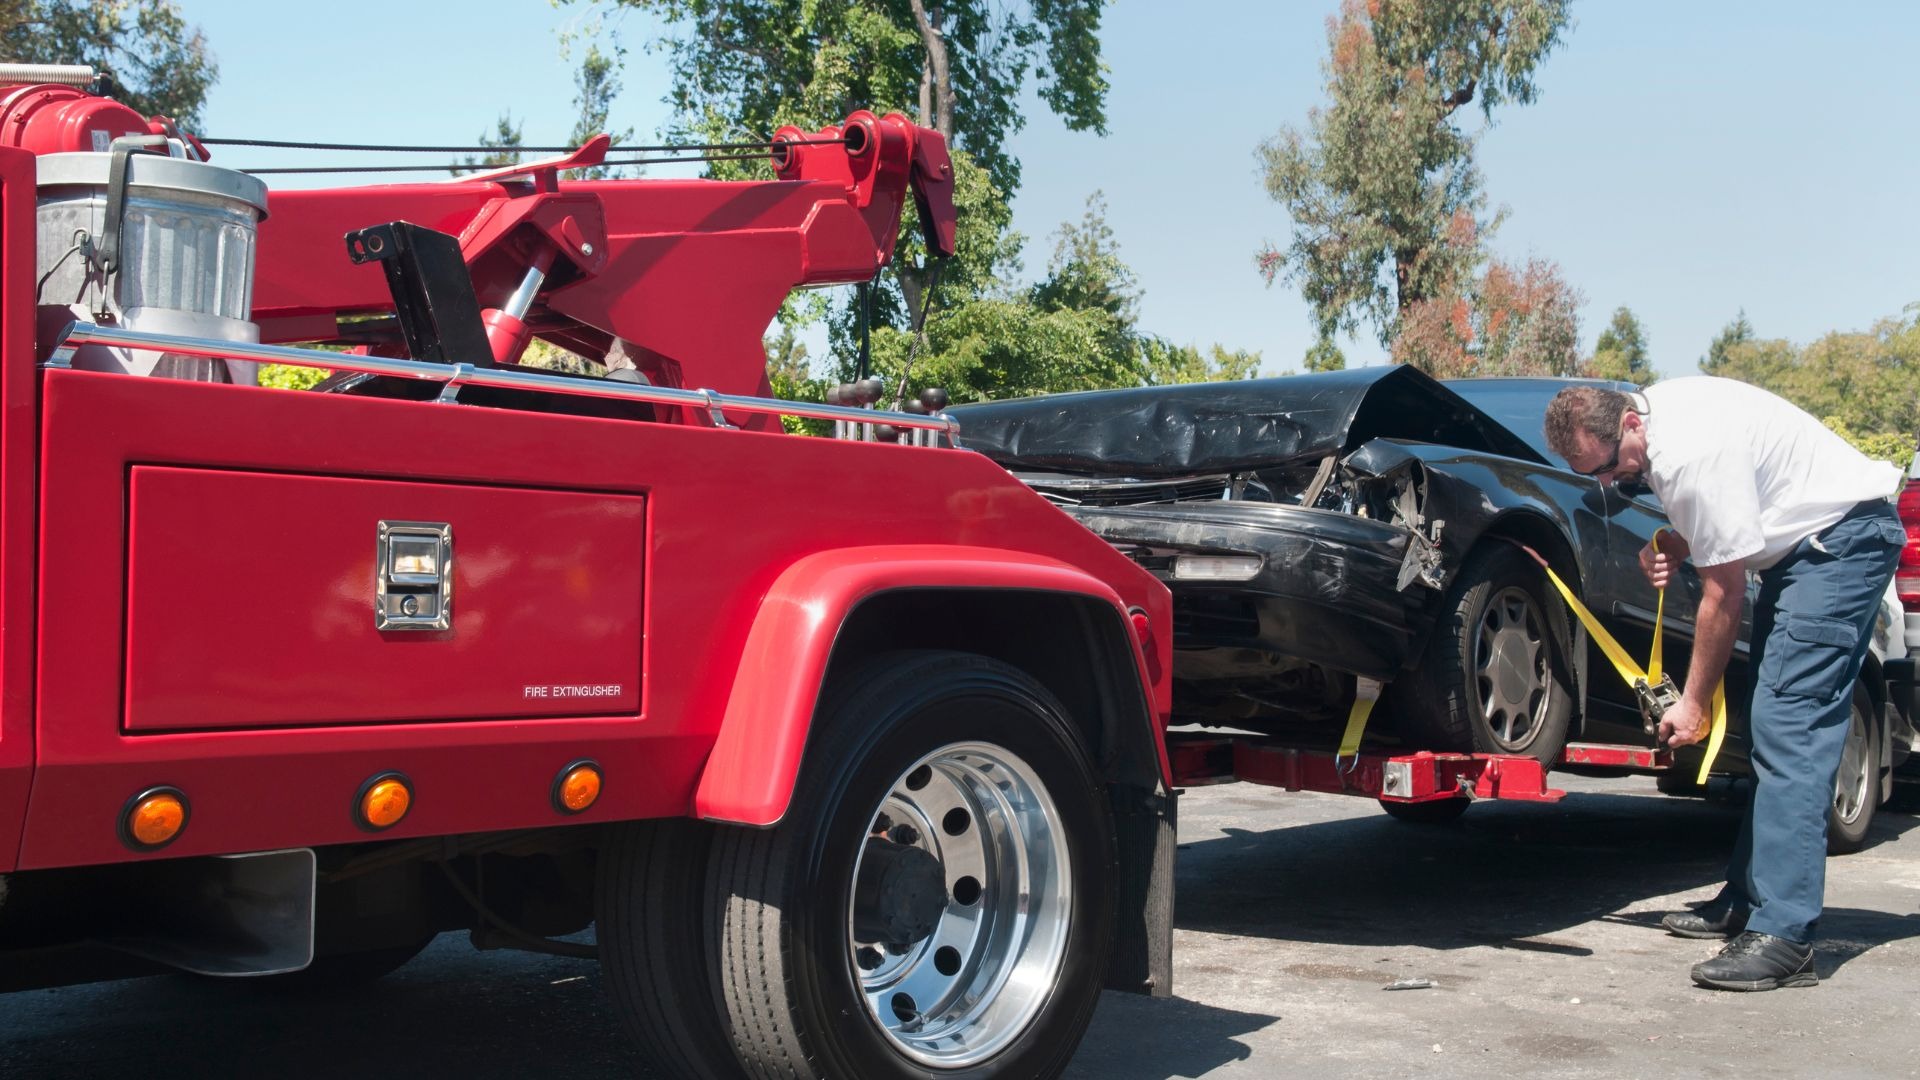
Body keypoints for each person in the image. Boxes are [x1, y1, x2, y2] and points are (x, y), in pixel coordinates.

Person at [1544, 377, 1904, 992]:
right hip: (1803, 552)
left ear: (1630, 425)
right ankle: (1747, 899)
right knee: (1773, 721)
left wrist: (1691, 704)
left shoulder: (1688, 454)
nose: (1605, 483)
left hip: (1840, 546)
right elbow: (1736, 511)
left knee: (1789, 726)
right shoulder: (1657, 428)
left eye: (1604, 467)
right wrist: (1681, 542)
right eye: (1591, 475)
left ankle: (1786, 937)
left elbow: (1723, 592)